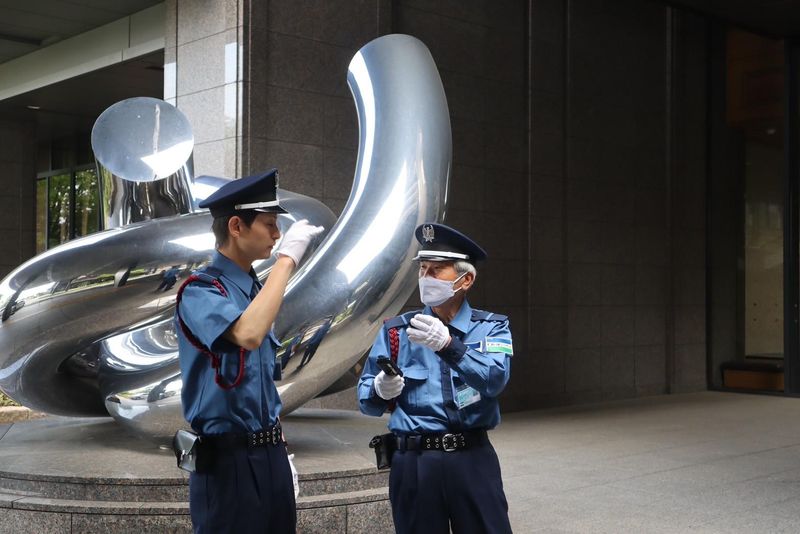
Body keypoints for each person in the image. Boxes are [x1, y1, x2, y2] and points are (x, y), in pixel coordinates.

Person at [176, 169, 323, 534]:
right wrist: (286, 261)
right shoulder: (201, 291)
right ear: (236, 226)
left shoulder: (255, 292)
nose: (277, 234)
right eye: (270, 224)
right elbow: (249, 333)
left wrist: (279, 450)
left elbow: (262, 387)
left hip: (271, 455)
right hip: (227, 463)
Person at [358, 222, 514, 534]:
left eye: (436, 270)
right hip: (414, 462)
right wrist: (379, 389)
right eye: (423, 269)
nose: (425, 278)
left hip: (471, 458)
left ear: (465, 279)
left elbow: (494, 379)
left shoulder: (491, 328)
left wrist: (449, 346)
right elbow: (366, 402)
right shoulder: (397, 331)